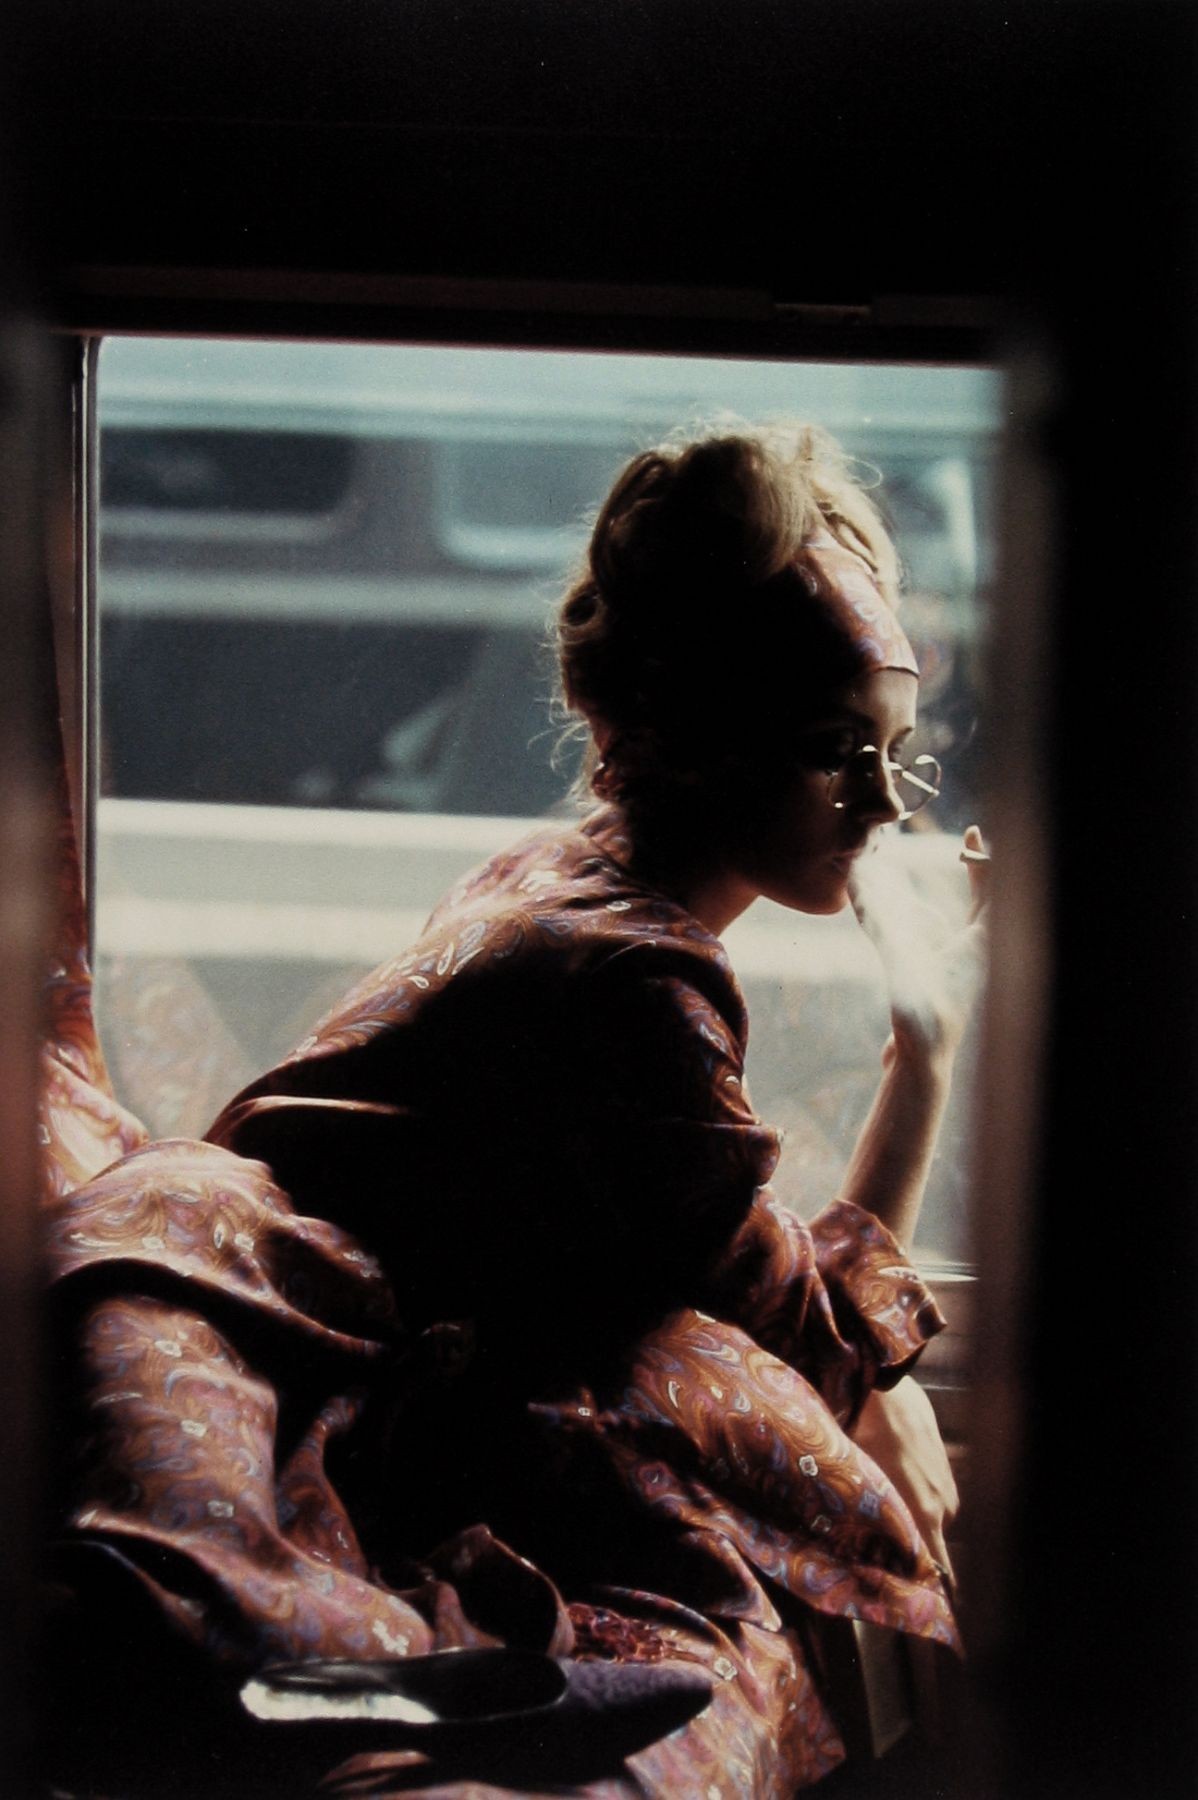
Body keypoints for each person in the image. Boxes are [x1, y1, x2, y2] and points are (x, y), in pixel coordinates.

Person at [45, 421, 985, 1797]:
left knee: (234, 1593)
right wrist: (926, 1044)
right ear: (702, 736)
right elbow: (817, 1336)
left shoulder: (564, 875)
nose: (882, 803)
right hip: (207, 1283)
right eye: (834, 750)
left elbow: (733, 1280)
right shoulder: (639, 985)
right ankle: (411, 1698)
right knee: (181, 1594)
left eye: (896, 751)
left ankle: (421, 1690)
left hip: (255, 1293)